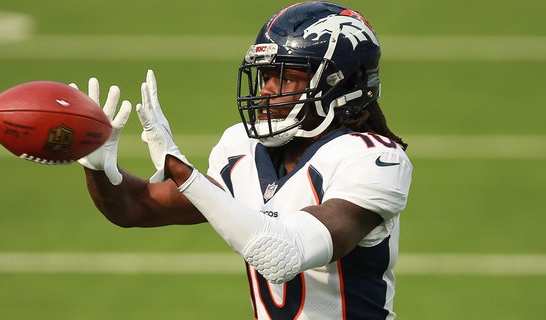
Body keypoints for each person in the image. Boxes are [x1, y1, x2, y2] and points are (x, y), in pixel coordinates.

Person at [71, 1, 412, 319]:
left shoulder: (374, 159)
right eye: (267, 76)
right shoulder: (242, 147)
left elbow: (283, 255)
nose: (267, 90)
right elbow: (135, 206)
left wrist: (182, 171)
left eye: (288, 78)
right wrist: (96, 167)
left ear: (340, 86)